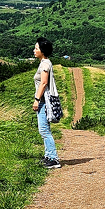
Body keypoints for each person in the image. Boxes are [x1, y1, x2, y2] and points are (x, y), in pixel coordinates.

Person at [33, 37, 61, 169]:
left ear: (42, 51)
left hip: (44, 102)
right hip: (43, 101)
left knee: (44, 130)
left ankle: (54, 158)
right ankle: (48, 156)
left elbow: (43, 83)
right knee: (44, 129)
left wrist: (36, 100)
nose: (34, 50)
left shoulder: (44, 64)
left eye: (36, 48)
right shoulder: (45, 62)